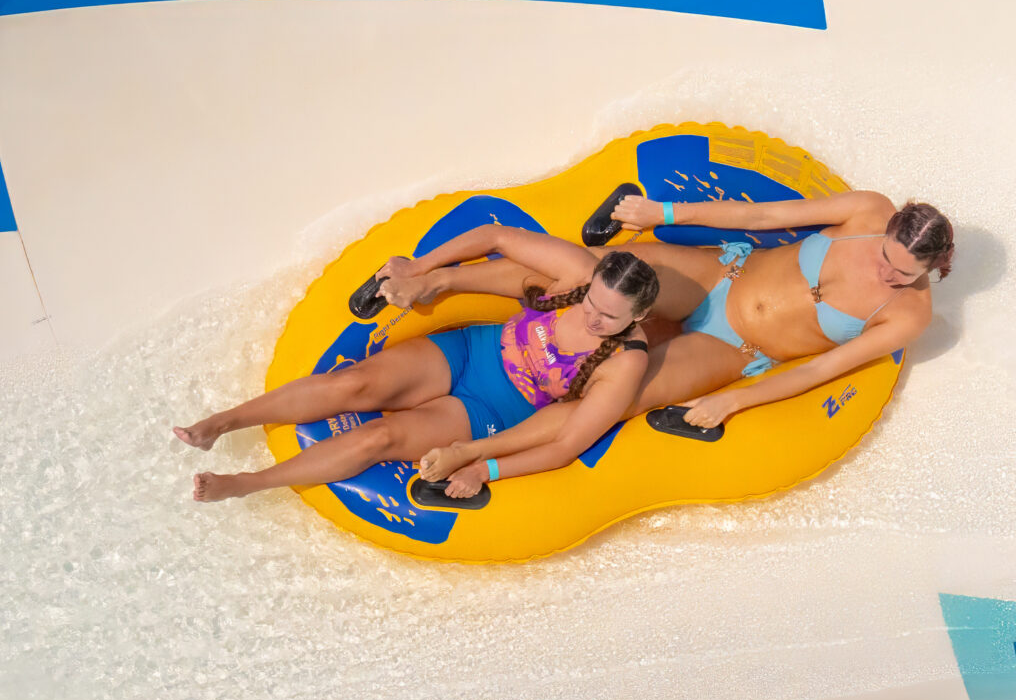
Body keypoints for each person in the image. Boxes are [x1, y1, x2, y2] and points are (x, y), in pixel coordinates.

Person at [379, 192, 953, 498]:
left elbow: (821, 369)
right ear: (891, 227)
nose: (886, 274)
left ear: (933, 267)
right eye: (885, 258)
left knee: (618, 397)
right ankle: (438, 279)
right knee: (593, 277)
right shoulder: (869, 211)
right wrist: (665, 214)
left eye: (903, 273)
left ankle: (481, 453)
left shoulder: (907, 315)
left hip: (736, 346)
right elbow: (767, 214)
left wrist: (734, 401)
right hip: (721, 274)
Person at [176, 246, 662, 502]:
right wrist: (425, 270)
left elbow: (563, 446)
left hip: (490, 410)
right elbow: (494, 238)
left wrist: (482, 466)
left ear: (637, 319)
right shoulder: (577, 272)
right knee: (353, 384)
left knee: (379, 437)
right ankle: (221, 423)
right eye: (592, 302)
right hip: (472, 351)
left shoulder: (625, 362)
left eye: (609, 318)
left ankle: (247, 483)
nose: (592, 318)